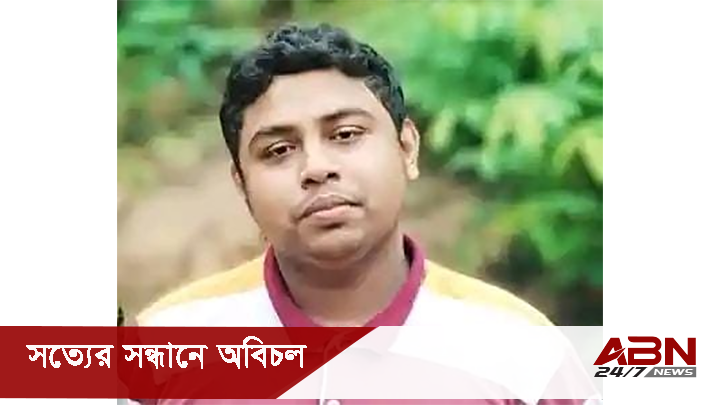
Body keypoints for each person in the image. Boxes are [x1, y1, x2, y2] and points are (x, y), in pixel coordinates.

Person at [135, 22, 597, 405]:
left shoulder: (522, 351)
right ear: (242, 184)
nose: (317, 168)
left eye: (345, 134)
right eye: (279, 150)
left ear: (407, 148)